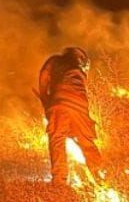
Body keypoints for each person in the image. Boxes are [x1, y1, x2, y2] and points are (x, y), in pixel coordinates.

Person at [37, 46, 103, 185]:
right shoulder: (79, 70)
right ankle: (101, 177)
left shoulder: (55, 60)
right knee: (87, 143)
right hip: (80, 106)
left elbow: (43, 76)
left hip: (59, 103)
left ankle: (59, 182)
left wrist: (45, 98)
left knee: (57, 139)